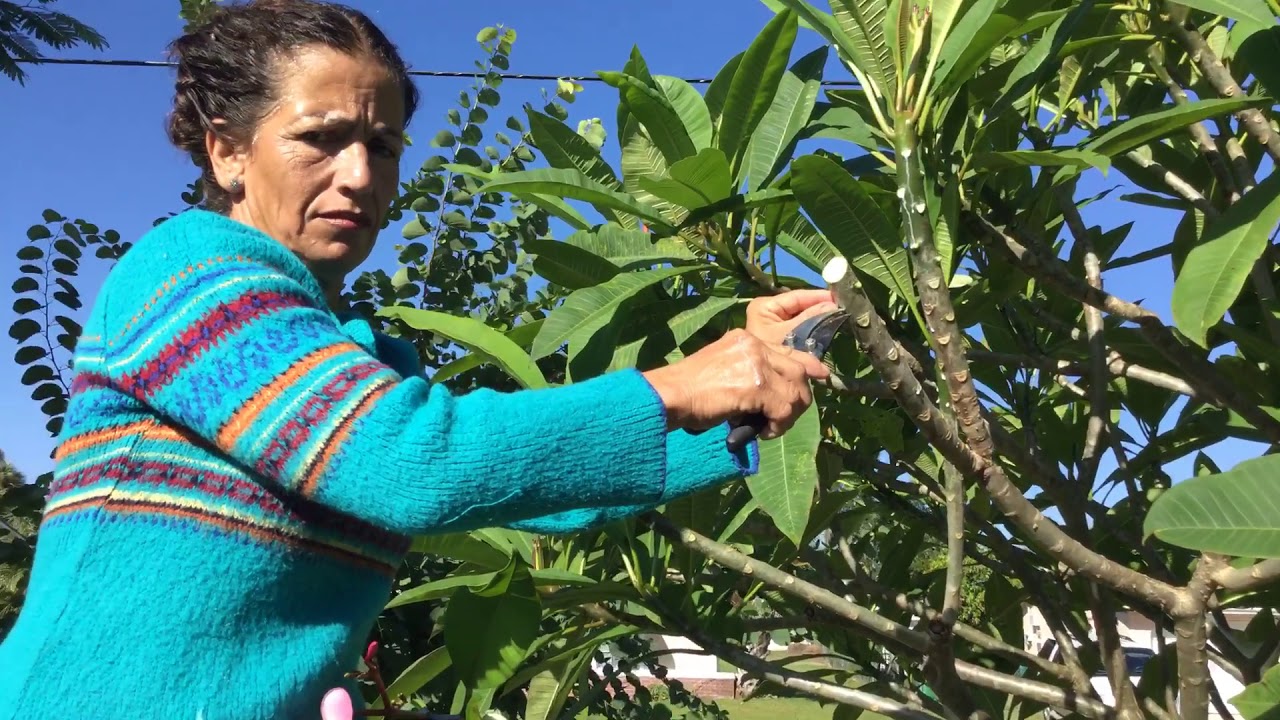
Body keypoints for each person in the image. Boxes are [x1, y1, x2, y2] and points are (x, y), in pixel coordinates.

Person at [0, 1, 836, 718]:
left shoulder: (357, 357)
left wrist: (740, 389)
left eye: (385, 144)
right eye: (321, 138)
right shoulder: (190, 273)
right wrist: (682, 386)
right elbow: (410, 463)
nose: (361, 175)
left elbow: (537, 499)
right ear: (227, 152)